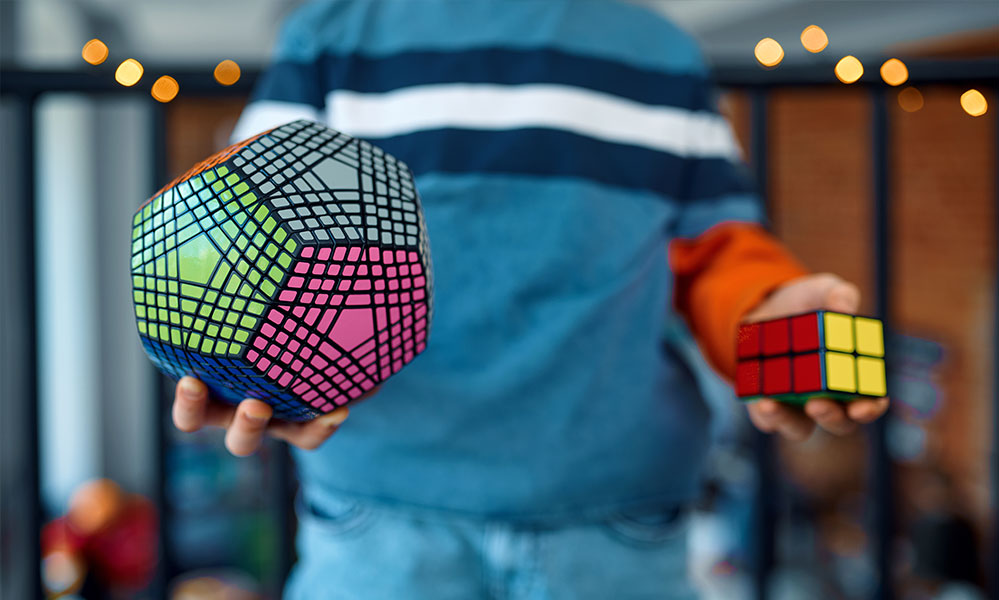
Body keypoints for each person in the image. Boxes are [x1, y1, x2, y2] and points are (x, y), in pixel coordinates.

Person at [171, 1, 889, 597]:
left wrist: (771, 318)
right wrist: (252, 382)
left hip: (617, 523)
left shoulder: (660, 54)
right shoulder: (330, 37)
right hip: (379, 516)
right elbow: (238, 242)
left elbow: (715, 253)